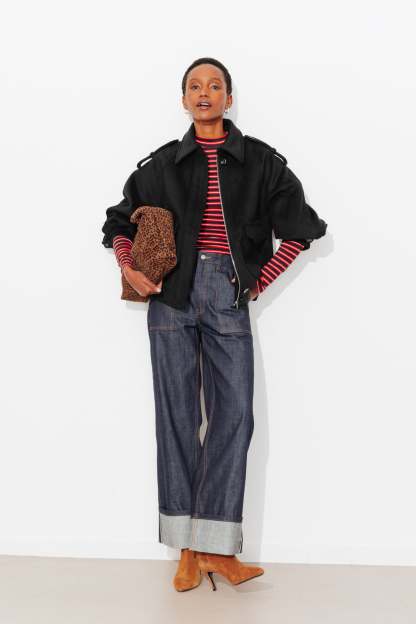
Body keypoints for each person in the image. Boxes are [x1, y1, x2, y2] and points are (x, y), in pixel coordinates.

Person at [101, 57, 327, 592]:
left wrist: (258, 279)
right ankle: (187, 551)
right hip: (171, 297)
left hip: (228, 292)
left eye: (215, 85)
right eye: (195, 86)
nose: (205, 93)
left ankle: (217, 550)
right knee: (178, 418)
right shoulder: (161, 164)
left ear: (229, 97)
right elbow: (117, 222)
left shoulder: (261, 162)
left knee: (235, 417)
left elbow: (300, 228)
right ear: (184, 100)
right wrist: (130, 267)